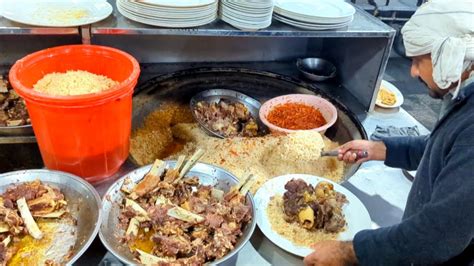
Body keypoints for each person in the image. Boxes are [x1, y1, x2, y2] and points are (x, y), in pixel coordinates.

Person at [304, 0, 474, 265]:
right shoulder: (465, 99)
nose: (413, 71)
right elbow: (443, 147)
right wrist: (378, 149)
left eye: (419, 60)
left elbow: (438, 235)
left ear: (451, 56)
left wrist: (347, 252)